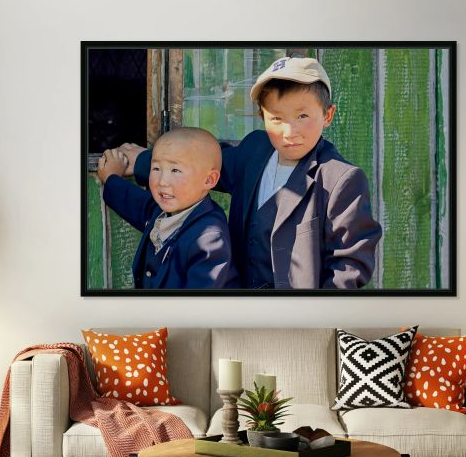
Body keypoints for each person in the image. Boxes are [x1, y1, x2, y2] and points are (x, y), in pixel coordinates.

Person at [118, 56, 381, 289]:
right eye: (277, 118)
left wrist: (315, 315)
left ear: (327, 115)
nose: (289, 132)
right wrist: (141, 161)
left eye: (302, 116)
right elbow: (201, 164)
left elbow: (350, 264)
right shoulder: (254, 151)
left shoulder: (340, 180)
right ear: (262, 117)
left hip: (295, 316)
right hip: (238, 307)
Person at [96, 126, 238, 289]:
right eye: (156, 168)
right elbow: (134, 203)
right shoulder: (164, 211)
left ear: (209, 180)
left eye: (175, 170)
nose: (162, 181)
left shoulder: (208, 240)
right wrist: (111, 177)